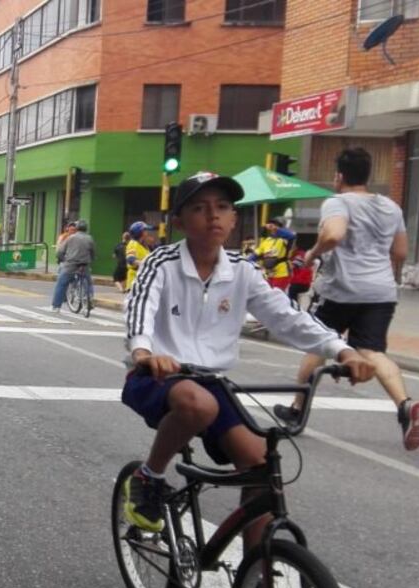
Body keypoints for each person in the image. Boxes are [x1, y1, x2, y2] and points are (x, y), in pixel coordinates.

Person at [121, 171, 373, 558]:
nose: (213, 217)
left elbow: (288, 317)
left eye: (222, 207)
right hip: (155, 377)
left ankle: (260, 585)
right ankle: (149, 477)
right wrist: (144, 352)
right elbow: (140, 310)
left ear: (234, 218)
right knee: (198, 404)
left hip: (212, 383)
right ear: (179, 221)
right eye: (200, 209)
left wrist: (342, 350)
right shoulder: (162, 263)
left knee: (260, 466)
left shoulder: (242, 269)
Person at [274, 147, 419, 450]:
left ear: (339, 176)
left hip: (341, 290)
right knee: (373, 350)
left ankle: (296, 410)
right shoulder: (391, 207)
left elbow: (334, 236)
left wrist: (313, 254)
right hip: (381, 291)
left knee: (320, 342)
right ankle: (406, 406)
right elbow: (401, 253)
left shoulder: (337, 203)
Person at [51, 218, 95, 312]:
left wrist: (62, 259)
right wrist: (90, 260)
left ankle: (56, 306)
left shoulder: (71, 238)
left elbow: (60, 252)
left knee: (61, 283)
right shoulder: (89, 238)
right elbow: (93, 252)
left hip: (71, 264)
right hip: (84, 264)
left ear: (77, 228)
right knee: (89, 282)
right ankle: (90, 299)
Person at [248, 222, 292, 291]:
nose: (272, 229)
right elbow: (256, 254)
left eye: (275, 227)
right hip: (269, 274)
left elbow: (291, 236)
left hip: (282, 273)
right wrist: (245, 262)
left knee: (278, 296)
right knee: (268, 295)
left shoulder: (284, 239)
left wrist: (276, 229)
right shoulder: (266, 241)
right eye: (271, 227)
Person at [124, 221, 157, 291]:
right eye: (145, 231)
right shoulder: (133, 244)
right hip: (134, 281)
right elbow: (131, 259)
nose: (147, 233)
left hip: (143, 280)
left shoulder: (144, 246)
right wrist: (147, 264)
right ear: (141, 233)